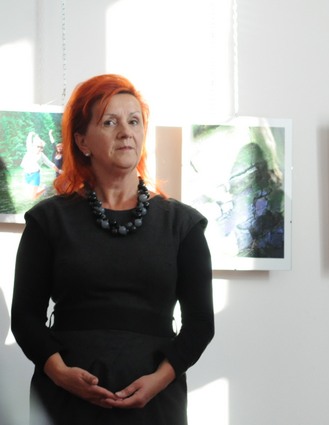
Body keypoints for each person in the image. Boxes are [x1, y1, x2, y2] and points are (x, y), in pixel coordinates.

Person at [11, 74, 215, 425]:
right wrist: (59, 373)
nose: (125, 132)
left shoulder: (183, 225)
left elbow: (200, 324)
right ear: (82, 141)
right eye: (109, 122)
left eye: (134, 121)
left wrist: (159, 381)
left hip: (155, 405)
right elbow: (26, 317)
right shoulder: (48, 221)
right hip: (64, 402)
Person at [20, 131, 61, 199]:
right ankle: (43, 188)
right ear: (34, 146)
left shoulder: (42, 155)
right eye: (38, 147)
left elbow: (50, 164)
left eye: (41, 147)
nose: (40, 148)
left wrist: (59, 171)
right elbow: (28, 141)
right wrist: (30, 134)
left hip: (35, 175)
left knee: (33, 197)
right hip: (26, 174)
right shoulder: (30, 149)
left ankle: (44, 188)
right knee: (28, 194)